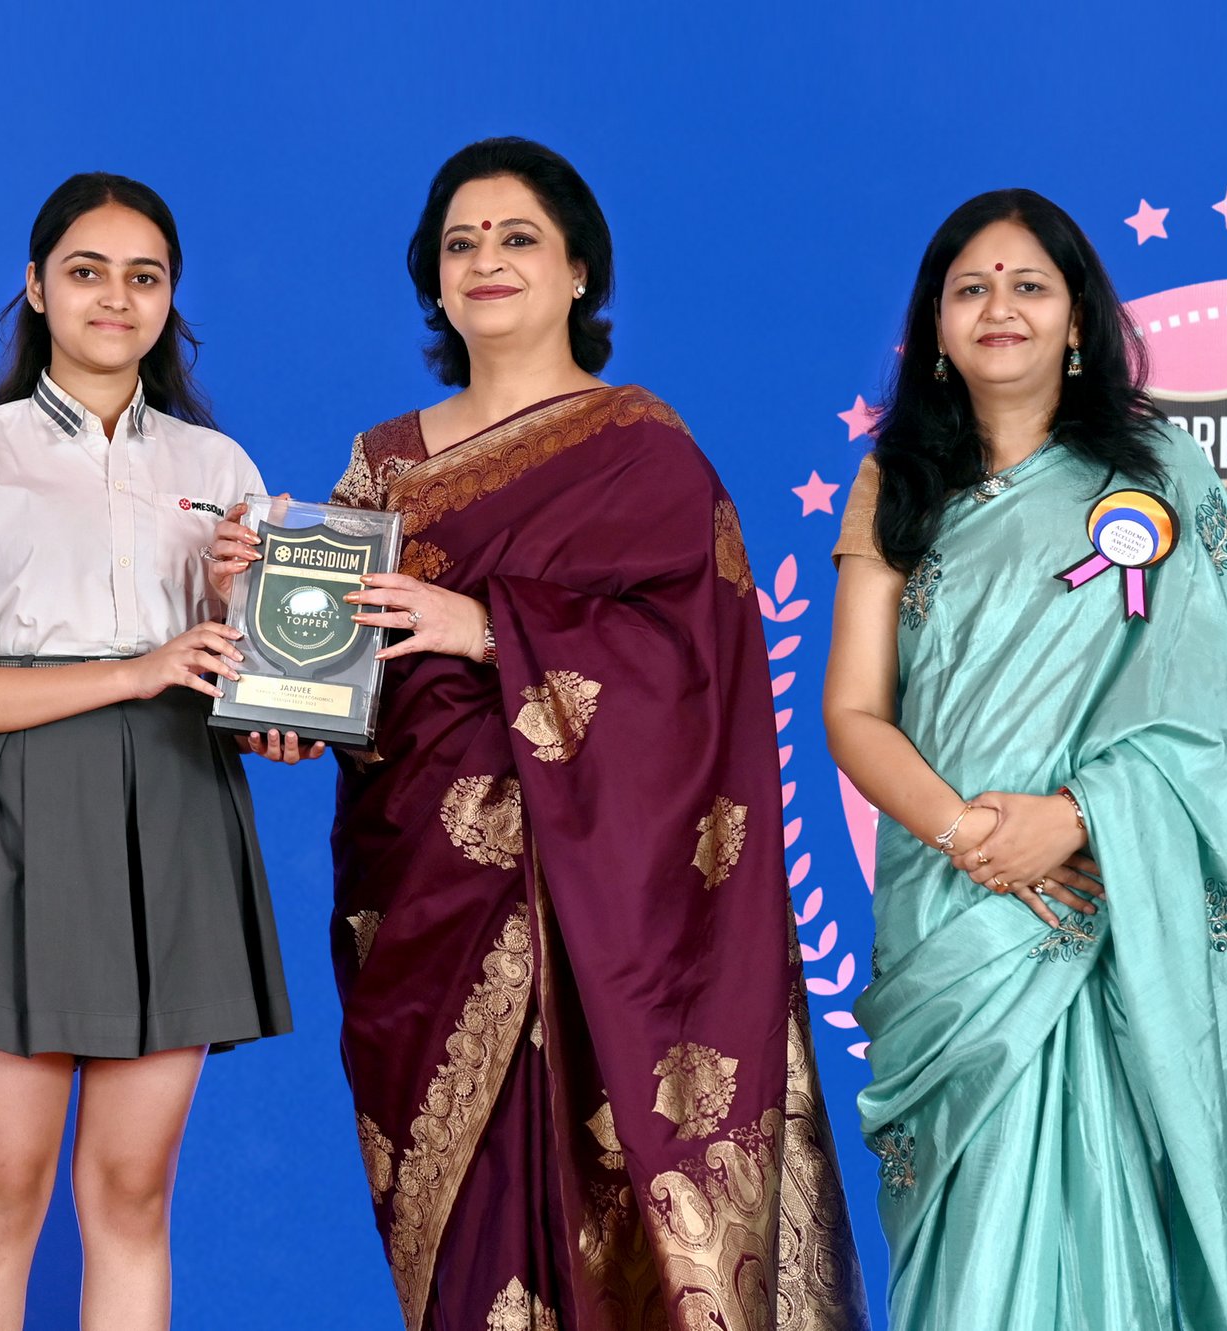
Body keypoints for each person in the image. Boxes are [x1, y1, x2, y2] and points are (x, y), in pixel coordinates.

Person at [232, 137, 867, 1331]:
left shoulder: (642, 450)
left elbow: (695, 674)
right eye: (459, 242)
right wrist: (280, 682)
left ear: (578, 270)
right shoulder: (381, 464)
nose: (486, 260)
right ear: (432, 280)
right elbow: (343, 682)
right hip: (420, 911)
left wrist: (487, 626)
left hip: (603, 923)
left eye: (517, 237)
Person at [824, 188, 1227, 1330]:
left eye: (1029, 285)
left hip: (1104, 900)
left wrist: (1071, 817)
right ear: (935, 326)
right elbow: (855, 711)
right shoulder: (894, 481)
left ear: (1076, 320)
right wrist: (971, 834)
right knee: (969, 1251)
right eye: (970, 288)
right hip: (955, 916)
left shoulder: (1159, 474)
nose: (998, 307)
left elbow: (1208, 719)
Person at [0, 171, 292, 1331]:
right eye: (87, 271)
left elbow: (252, 689)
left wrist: (277, 704)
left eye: (144, 277)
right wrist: (136, 669)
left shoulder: (221, 470)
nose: (116, 297)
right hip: (12, 809)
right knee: (0, 1193)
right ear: (37, 288)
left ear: (170, 300)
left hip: (179, 810)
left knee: (132, 1192)